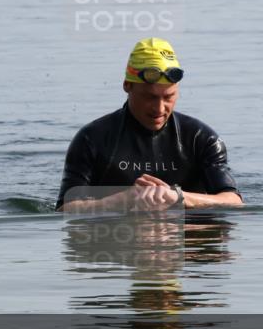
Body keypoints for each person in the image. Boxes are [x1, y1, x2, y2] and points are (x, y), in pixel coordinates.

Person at [56, 37, 244, 212]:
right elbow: (65, 209)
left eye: (168, 97)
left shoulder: (201, 139)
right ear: (127, 85)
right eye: (149, 97)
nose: (159, 108)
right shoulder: (92, 139)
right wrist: (123, 200)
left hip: (185, 234)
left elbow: (234, 201)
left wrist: (178, 197)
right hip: (118, 234)